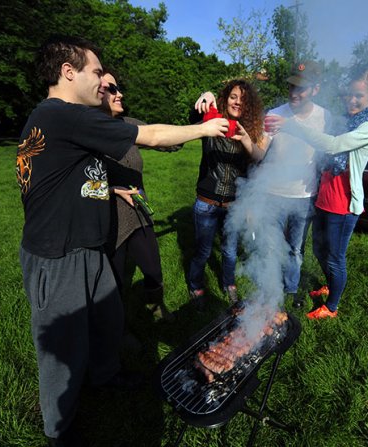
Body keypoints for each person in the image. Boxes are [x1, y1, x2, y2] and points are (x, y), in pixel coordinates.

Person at [16, 36, 228, 446]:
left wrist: (110, 192)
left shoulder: (63, 118)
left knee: (108, 319)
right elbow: (147, 134)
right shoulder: (62, 114)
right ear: (68, 71)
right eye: (96, 72)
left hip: (90, 246)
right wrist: (204, 129)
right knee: (62, 347)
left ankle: (106, 375)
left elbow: (67, 177)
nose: (102, 82)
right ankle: (59, 429)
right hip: (59, 254)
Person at [266, 69, 368, 319]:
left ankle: (332, 306)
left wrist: (293, 126)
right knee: (319, 250)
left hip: (344, 203)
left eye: (358, 95)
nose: (351, 100)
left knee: (335, 257)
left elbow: (332, 145)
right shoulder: (344, 120)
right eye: (348, 94)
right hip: (323, 197)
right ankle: (330, 284)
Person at [99, 69, 176, 321]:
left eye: (118, 87)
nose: (119, 93)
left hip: (139, 214)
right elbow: (75, 183)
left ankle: (155, 305)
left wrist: (199, 117)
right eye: (112, 89)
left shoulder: (128, 125)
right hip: (110, 222)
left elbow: (170, 142)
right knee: (115, 281)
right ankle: (119, 332)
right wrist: (112, 191)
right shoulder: (86, 131)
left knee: (153, 270)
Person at [261, 61, 339, 308]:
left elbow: (330, 150)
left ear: (315, 90)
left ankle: (291, 288)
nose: (294, 93)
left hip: (304, 195)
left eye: (301, 88)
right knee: (272, 245)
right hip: (273, 191)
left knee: (295, 248)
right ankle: (270, 289)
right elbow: (260, 151)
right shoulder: (274, 113)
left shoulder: (325, 117)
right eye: (291, 87)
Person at [188, 79, 267, 309]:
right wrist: (206, 92)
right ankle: (195, 285)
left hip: (233, 204)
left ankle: (229, 284)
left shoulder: (250, 129)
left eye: (243, 99)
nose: (237, 102)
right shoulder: (212, 120)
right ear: (226, 98)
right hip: (207, 201)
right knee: (202, 250)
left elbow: (259, 159)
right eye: (233, 97)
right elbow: (193, 117)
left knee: (230, 250)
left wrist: (245, 139)